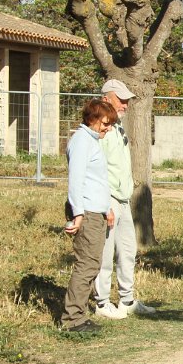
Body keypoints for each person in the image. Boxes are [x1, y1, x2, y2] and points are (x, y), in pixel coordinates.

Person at [93, 79, 156, 319]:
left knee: (128, 250)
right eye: (121, 100)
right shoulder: (99, 130)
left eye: (127, 100)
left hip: (122, 199)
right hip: (107, 198)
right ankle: (101, 303)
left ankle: (127, 300)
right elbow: (96, 169)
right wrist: (103, 204)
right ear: (106, 98)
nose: (125, 105)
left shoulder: (117, 127)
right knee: (105, 253)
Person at [61, 99, 118, 333]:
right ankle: (73, 319)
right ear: (92, 119)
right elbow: (76, 181)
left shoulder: (91, 141)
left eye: (110, 124)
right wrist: (78, 214)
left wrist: (106, 208)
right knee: (86, 265)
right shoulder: (82, 141)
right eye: (105, 123)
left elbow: (96, 181)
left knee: (92, 265)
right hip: (87, 214)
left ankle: (79, 314)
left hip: (96, 211)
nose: (108, 128)